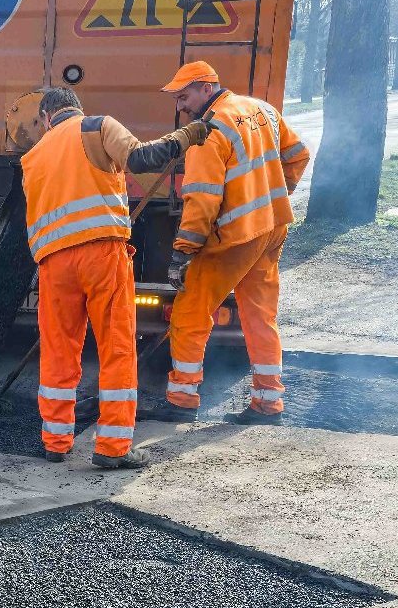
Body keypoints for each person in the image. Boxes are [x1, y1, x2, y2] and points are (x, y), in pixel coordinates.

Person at [18, 87, 209, 468]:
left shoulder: (32, 156)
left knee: (58, 351)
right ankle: (112, 448)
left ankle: (55, 441)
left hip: (52, 266)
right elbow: (142, 158)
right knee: (117, 347)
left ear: (45, 118)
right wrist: (189, 134)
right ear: (75, 108)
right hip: (101, 255)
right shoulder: (95, 126)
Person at [154, 61, 311, 421]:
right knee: (260, 315)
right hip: (272, 228)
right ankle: (268, 403)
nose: (180, 105)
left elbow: (202, 201)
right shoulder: (263, 110)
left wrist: (182, 252)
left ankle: (181, 401)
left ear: (207, 88)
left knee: (191, 311)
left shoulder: (206, 132)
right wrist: (278, 195)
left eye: (184, 96)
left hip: (235, 238)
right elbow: (298, 155)